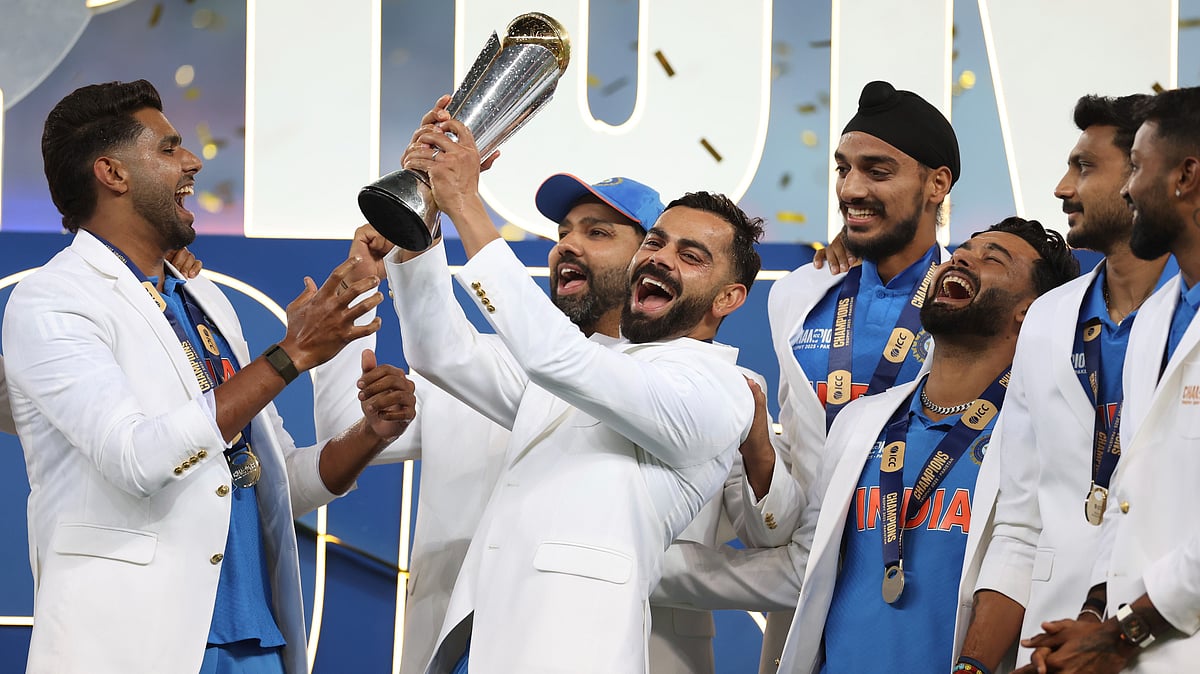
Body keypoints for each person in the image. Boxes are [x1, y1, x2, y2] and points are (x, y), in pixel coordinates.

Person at [2, 79, 415, 674]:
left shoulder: (205, 300)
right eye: (169, 149)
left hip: (253, 639)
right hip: (131, 648)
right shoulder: (54, 300)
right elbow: (136, 458)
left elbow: (273, 481)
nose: (192, 161)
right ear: (112, 174)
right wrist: (290, 355)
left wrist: (371, 433)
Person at [355, 102, 761, 671]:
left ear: (728, 299)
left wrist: (467, 203)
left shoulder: (722, 389)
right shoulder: (587, 366)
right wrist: (420, 214)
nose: (661, 259)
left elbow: (557, 358)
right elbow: (441, 352)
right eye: (657, 243)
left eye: (689, 256)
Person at [656, 218, 1078, 673]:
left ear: (1030, 311)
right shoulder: (862, 422)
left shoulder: (1042, 432)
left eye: (992, 258)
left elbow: (1030, 559)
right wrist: (637, 557)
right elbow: (803, 569)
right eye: (965, 250)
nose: (961, 257)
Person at [731, 79, 959, 668]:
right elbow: (800, 456)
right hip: (809, 588)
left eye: (878, 171)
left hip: (925, 585)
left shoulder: (978, 301)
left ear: (937, 184)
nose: (851, 189)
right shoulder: (797, 294)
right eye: (843, 169)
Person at [959, 94, 1176, 672]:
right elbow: (1020, 519)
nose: (1061, 187)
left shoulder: (1186, 313)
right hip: (1051, 648)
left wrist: (1119, 630)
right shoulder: (1049, 318)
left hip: (1175, 638)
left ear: (1141, 172)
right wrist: (975, 665)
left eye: (1085, 167)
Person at [1018, 86, 1200, 674]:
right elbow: (1128, 494)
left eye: (1138, 170)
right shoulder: (1158, 318)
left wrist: (1124, 633)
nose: (1127, 190)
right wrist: (1096, 614)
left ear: (1186, 177)